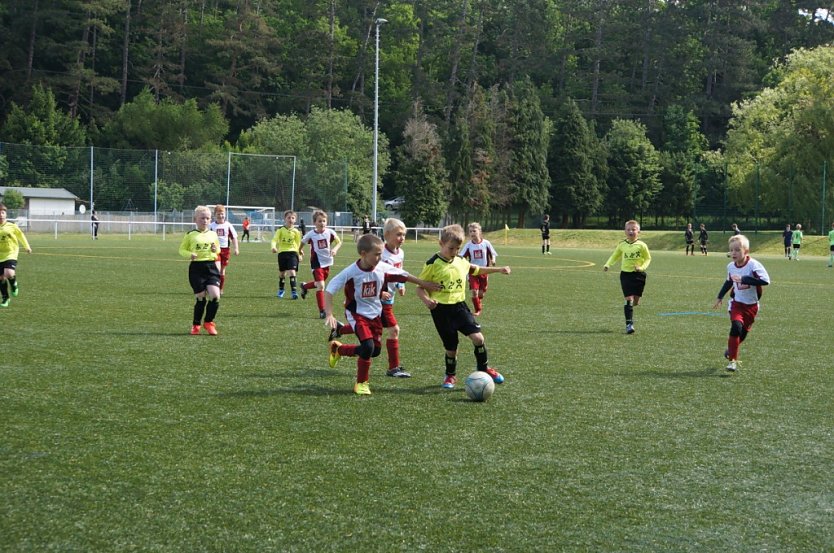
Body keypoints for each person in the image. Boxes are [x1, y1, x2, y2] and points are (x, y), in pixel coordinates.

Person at [324, 233, 439, 395]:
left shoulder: (382, 268)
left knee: (374, 351)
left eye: (381, 254)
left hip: (374, 314)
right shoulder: (350, 272)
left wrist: (423, 283)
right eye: (377, 254)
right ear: (363, 254)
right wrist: (329, 313)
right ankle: (361, 383)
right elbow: (329, 289)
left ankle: (339, 349)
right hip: (356, 313)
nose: (380, 257)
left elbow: (403, 275)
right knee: (368, 346)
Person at [415, 224, 511, 389]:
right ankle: (450, 375)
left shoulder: (460, 260)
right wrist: (427, 301)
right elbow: (419, 287)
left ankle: (484, 368)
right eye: (451, 248)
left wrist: (498, 269)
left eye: (458, 249)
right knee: (451, 348)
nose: (454, 252)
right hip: (441, 310)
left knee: (478, 338)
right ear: (441, 243)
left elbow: (477, 270)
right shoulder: (432, 263)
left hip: (460, 307)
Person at [713, 234, 770, 372]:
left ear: (746, 251)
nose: (734, 253)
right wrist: (720, 296)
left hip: (752, 306)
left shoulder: (753, 265)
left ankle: (730, 350)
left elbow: (765, 281)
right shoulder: (731, 266)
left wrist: (744, 279)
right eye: (731, 250)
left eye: (737, 250)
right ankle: (732, 361)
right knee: (736, 328)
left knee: (742, 334)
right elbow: (729, 281)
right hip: (736, 303)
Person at [179, 206, 222, 335]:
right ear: (195, 219)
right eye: (202, 218)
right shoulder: (190, 235)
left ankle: (209, 322)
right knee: (200, 297)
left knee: (215, 296)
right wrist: (189, 254)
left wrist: (215, 250)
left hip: (211, 267)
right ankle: (196, 324)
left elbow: (218, 249)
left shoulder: (213, 234)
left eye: (208, 218)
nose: (205, 220)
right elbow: (181, 250)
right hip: (196, 268)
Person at [603, 220, 651, 334]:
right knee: (629, 299)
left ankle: (635, 302)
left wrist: (642, 267)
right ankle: (629, 324)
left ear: (638, 231)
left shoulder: (642, 245)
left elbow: (648, 258)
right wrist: (607, 264)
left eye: (633, 229)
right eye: (628, 229)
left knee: (635, 300)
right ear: (625, 231)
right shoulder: (622, 245)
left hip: (639, 275)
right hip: (625, 275)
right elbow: (615, 255)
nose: (631, 231)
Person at [299, 209, 342, 318]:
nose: (322, 223)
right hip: (316, 262)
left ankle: (304, 286)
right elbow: (302, 242)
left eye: (324, 221)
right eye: (319, 221)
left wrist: (335, 249)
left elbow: (339, 242)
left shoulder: (330, 232)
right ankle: (322, 311)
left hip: (327, 261)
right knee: (321, 285)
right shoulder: (311, 234)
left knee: (319, 284)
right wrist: (300, 251)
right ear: (314, 223)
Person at [460, 222, 498, 316]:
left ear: (479, 232)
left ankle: (478, 301)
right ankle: (477, 310)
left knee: (481, 294)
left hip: (484, 271)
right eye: (470, 231)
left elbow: (492, 253)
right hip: (472, 271)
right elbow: (461, 256)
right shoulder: (468, 245)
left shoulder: (486, 243)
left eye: (474, 231)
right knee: (474, 291)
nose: (472, 233)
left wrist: (493, 260)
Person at [0, 203, 32, 308]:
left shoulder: (12, 226)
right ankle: (5, 298)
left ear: (5, 214)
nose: (1, 214)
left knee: (9, 273)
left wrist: (26, 246)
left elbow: (20, 235)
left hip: (11, 252)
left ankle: (13, 284)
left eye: (3, 212)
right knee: (1, 278)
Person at [270, 209, 304, 299]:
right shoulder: (280, 230)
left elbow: (298, 244)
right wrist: (273, 247)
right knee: (282, 273)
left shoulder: (296, 231)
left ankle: (294, 292)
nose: (290, 219)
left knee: (292, 272)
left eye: (293, 218)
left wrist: (299, 254)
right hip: (282, 253)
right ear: (285, 219)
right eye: (289, 217)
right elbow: (274, 240)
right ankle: (281, 289)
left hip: (293, 253)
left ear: (295, 220)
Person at [209, 205, 239, 294]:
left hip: (225, 250)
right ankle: (214, 287)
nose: (220, 216)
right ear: (215, 215)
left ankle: (220, 288)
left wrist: (236, 248)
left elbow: (234, 237)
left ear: (225, 214)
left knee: (222, 270)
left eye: (222, 214)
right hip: (215, 251)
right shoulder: (211, 226)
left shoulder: (228, 225)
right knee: (216, 269)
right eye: (218, 214)